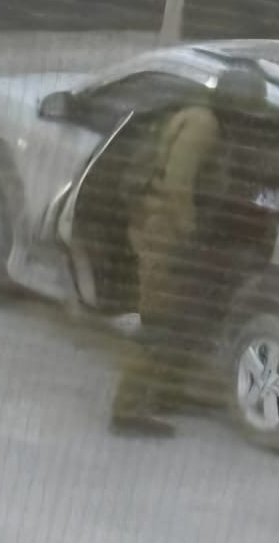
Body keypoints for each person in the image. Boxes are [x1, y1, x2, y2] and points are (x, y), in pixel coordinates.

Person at [110, 69, 269, 437]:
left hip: (173, 232)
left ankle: (166, 394)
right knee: (158, 323)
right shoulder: (203, 126)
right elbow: (177, 187)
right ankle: (126, 409)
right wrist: (190, 235)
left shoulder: (209, 122)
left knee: (182, 321)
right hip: (166, 234)